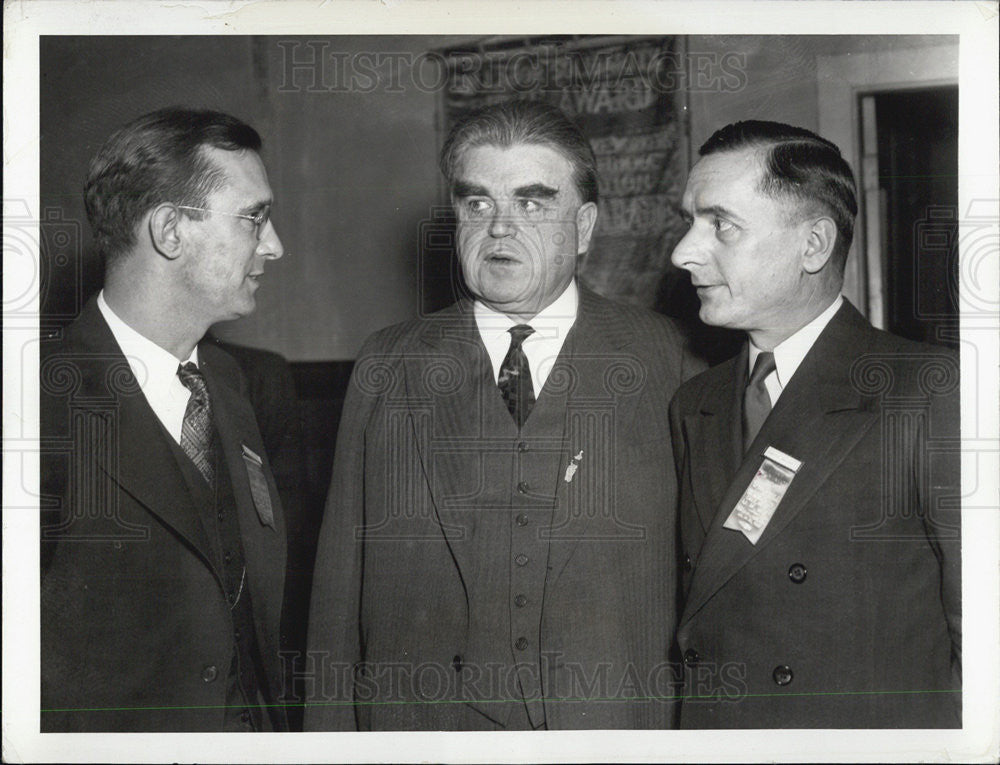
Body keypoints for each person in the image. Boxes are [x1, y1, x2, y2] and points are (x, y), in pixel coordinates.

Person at [305, 100, 703, 730]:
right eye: (477, 203)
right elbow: (335, 595)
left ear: (584, 227)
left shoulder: (675, 360)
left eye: (533, 203)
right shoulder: (388, 363)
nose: (498, 228)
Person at [668, 120, 960, 728]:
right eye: (689, 223)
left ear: (813, 245)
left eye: (720, 224)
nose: (683, 253)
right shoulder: (694, 402)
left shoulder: (930, 390)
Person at [40, 108, 289, 731]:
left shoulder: (237, 385)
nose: (275, 244)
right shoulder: (35, 401)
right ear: (171, 231)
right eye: (254, 218)